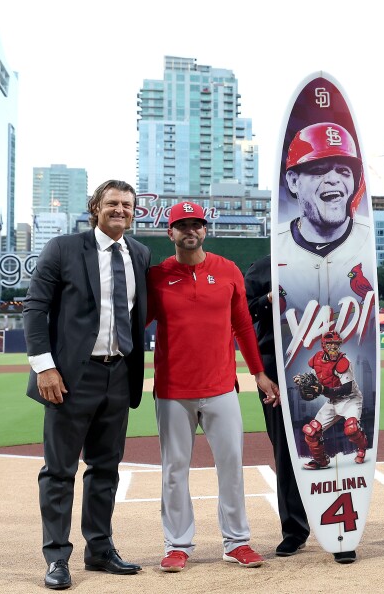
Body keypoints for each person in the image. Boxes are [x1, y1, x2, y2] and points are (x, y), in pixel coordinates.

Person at [24, 180, 150, 590]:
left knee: (105, 469)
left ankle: (99, 549)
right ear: (95, 207)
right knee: (59, 471)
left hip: (118, 375)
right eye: (112, 203)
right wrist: (45, 367)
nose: (120, 210)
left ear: (135, 211)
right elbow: (35, 307)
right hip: (70, 377)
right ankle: (57, 558)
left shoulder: (140, 254)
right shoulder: (63, 248)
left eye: (127, 205)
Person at [146, 201, 279, 573]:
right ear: (169, 233)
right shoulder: (156, 276)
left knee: (232, 465)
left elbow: (243, 326)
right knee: (174, 469)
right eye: (182, 225)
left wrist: (258, 373)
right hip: (173, 390)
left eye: (197, 224)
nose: (191, 230)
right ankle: (177, 544)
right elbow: (134, 322)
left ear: (205, 230)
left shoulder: (227, 270)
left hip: (221, 386)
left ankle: (236, 542)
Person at [244, 255, 310, 559]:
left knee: (334, 444)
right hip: (277, 368)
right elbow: (241, 312)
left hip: (323, 361)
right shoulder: (263, 265)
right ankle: (294, 529)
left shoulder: (332, 259)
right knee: (286, 452)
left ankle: (339, 525)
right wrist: (269, 299)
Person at [275, 121, 373, 314]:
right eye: (319, 170)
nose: (333, 179)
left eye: (344, 171)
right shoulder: (277, 244)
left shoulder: (369, 239)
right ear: (294, 182)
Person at [296, 330, 367, 469]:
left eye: (336, 344)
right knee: (312, 432)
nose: (334, 347)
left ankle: (362, 448)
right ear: (324, 345)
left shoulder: (343, 362)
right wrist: (302, 380)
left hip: (350, 399)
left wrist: (324, 390)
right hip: (333, 401)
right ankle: (321, 461)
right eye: (330, 344)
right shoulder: (316, 359)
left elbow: (347, 388)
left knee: (351, 429)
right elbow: (314, 377)